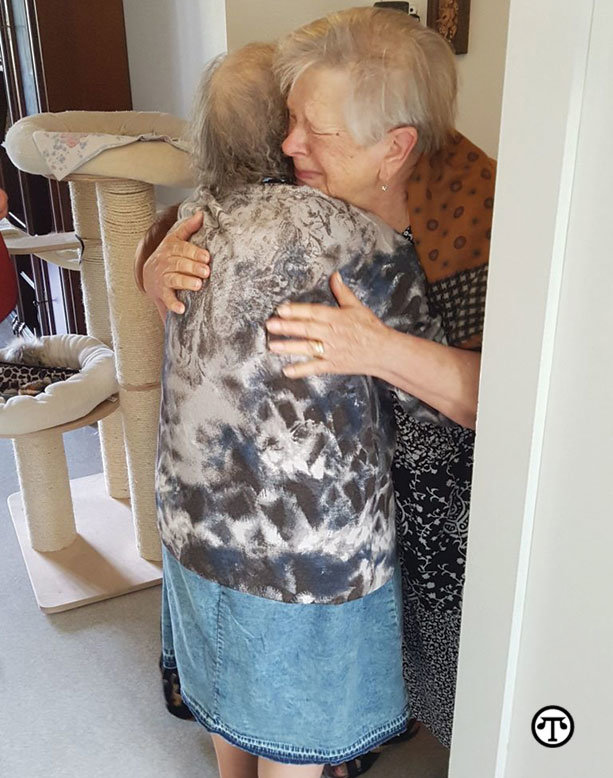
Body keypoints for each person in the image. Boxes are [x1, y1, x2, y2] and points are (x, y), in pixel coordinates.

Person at [139, 7, 495, 774]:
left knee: (421, 692)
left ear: (393, 149)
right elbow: (204, 230)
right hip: (295, 528)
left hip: (424, 508)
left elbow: (513, 406)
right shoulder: (298, 196)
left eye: (312, 131)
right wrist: (150, 268)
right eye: (288, 120)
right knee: (282, 701)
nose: (287, 145)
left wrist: (381, 349)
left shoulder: (479, 220)